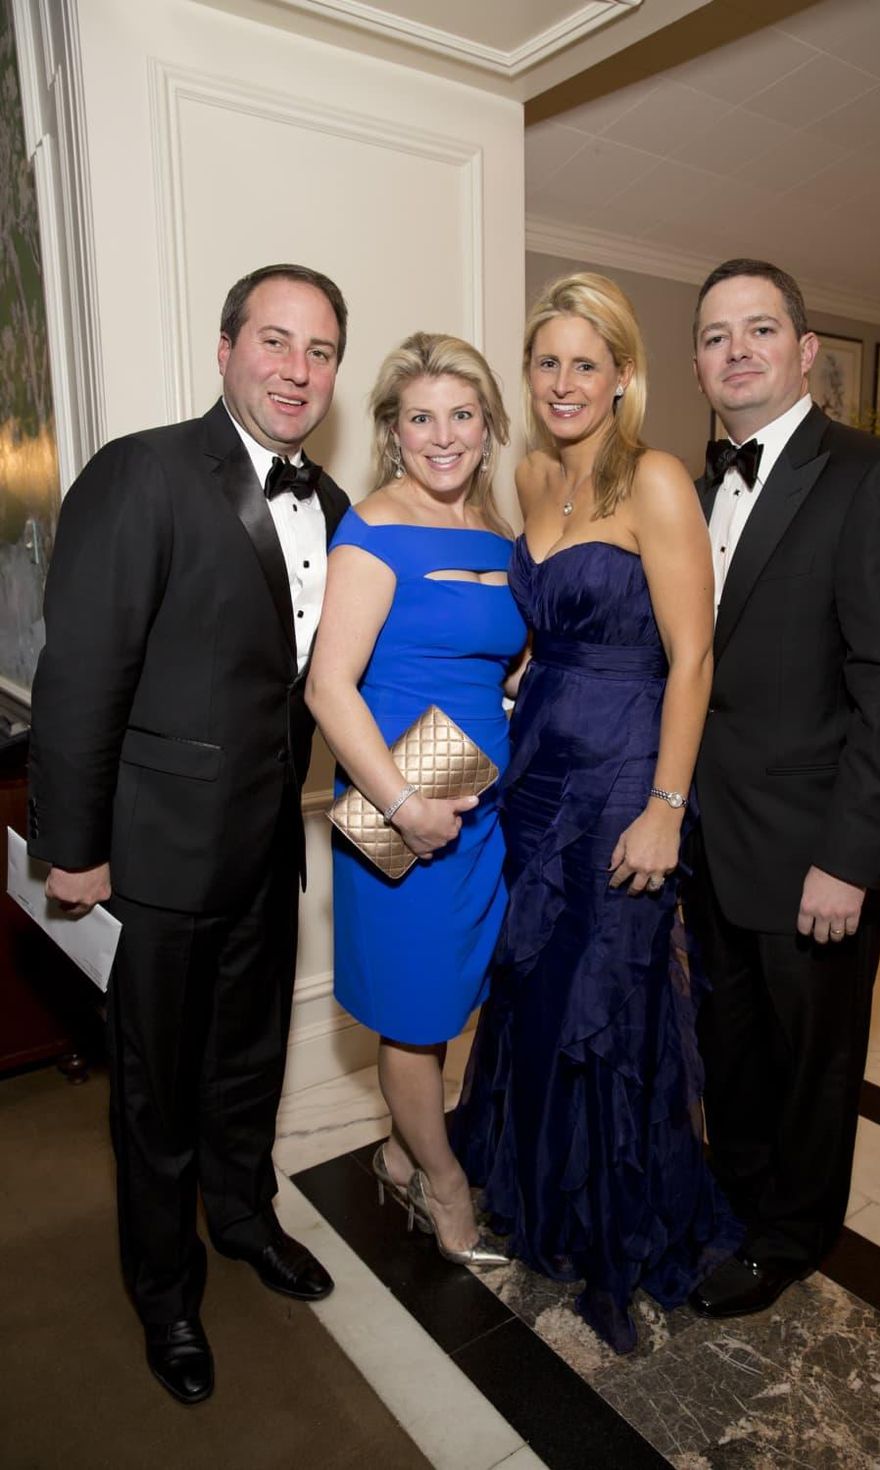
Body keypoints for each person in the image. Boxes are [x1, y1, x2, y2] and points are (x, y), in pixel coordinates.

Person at [28, 264, 350, 1404]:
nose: (296, 370)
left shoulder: (340, 508)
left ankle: (247, 1223)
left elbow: (332, 686)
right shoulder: (145, 472)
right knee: (155, 1096)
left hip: (267, 853)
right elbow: (80, 676)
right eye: (275, 341)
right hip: (153, 861)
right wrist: (71, 848)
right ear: (225, 349)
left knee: (245, 1070)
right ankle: (164, 1295)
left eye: (318, 352)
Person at [452, 272, 742, 1354]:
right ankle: (540, 1202)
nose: (563, 382)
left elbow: (692, 655)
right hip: (536, 771)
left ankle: (616, 1229)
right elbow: (536, 626)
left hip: (625, 769)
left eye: (586, 362)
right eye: (546, 362)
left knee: (606, 998)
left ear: (623, 375)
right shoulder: (527, 473)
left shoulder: (656, 479)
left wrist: (666, 804)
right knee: (527, 983)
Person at [685, 258, 880, 1318]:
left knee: (812, 1064)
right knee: (730, 1049)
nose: (734, 350)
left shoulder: (874, 478)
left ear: (803, 352)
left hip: (811, 851)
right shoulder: (690, 490)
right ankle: (737, 1201)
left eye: (757, 329)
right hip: (707, 842)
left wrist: (846, 857)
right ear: (696, 361)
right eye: (712, 335)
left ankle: (790, 1236)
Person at [305, 333, 526, 1266]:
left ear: (488, 426)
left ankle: (402, 1150)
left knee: (467, 999)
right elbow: (328, 685)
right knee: (417, 1014)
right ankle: (444, 1186)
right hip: (409, 808)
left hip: (487, 803)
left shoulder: (497, 531)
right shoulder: (372, 529)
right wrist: (403, 804)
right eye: (421, 418)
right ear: (394, 430)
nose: (444, 438)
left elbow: (500, 656)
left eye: (462, 416)